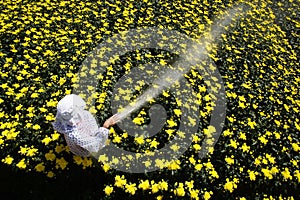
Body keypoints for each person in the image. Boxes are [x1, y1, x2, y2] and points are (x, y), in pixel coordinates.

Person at [52, 94, 119, 157]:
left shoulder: (69, 119)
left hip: (84, 137)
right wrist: (105, 126)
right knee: (90, 149)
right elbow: (95, 146)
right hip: (86, 148)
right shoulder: (76, 135)